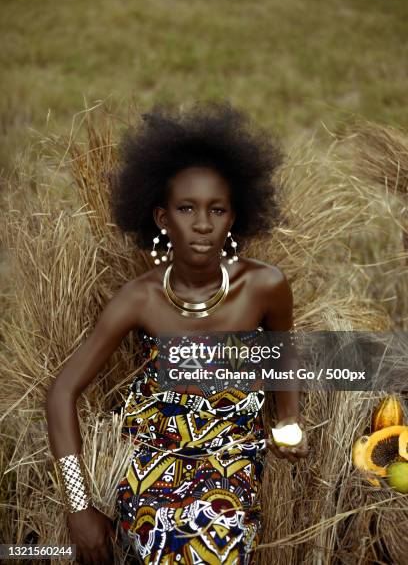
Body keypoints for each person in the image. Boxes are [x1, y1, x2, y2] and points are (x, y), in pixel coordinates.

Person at [45, 101, 309, 565]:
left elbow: (281, 355)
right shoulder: (140, 299)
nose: (203, 224)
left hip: (230, 459)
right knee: (160, 542)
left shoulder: (264, 287)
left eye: (217, 210)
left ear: (234, 218)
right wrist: (77, 506)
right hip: (153, 463)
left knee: (215, 539)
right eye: (186, 208)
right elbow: (61, 393)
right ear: (163, 219)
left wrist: (288, 421)